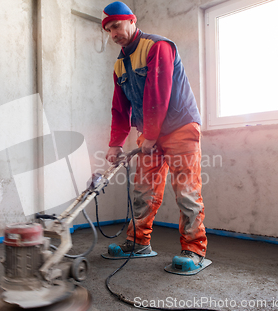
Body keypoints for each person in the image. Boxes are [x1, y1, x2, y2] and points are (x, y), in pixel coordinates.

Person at [102, 1, 208, 268]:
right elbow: (119, 109)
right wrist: (115, 144)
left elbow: (157, 93)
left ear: (132, 20)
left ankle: (194, 251)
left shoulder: (157, 46)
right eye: (109, 30)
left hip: (180, 126)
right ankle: (138, 243)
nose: (114, 34)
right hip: (150, 133)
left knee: (186, 190)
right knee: (143, 189)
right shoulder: (119, 66)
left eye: (117, 26)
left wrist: (149, 134)